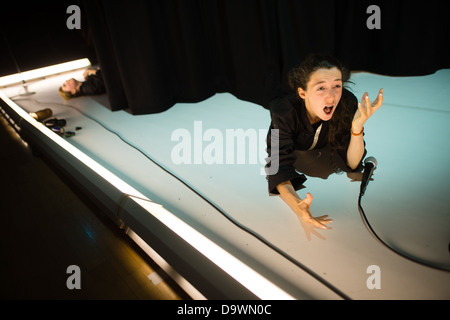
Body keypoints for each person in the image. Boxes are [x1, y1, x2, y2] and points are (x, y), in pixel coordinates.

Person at [265, 53, 383, 230]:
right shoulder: (283, 113)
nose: (331, 96)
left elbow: (352, 163)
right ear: (302, 93)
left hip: (325, 154)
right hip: (299, 156)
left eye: (337, 85)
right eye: (321, 88)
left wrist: (357, 127)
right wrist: (297, 206)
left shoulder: (346, 103)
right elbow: (277, 166)